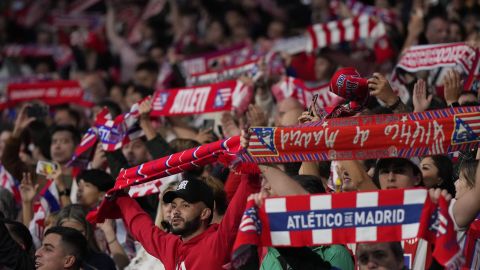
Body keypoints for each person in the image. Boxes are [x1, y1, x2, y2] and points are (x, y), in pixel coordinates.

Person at [108, 170, 259, 269]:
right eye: (173, 205)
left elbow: (238, 206)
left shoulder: (218, 241)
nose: (175, 211)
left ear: (205, 213)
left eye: (185, 205)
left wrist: (248, 169)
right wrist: (122, 198)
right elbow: (143, 228)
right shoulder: (171, 246)